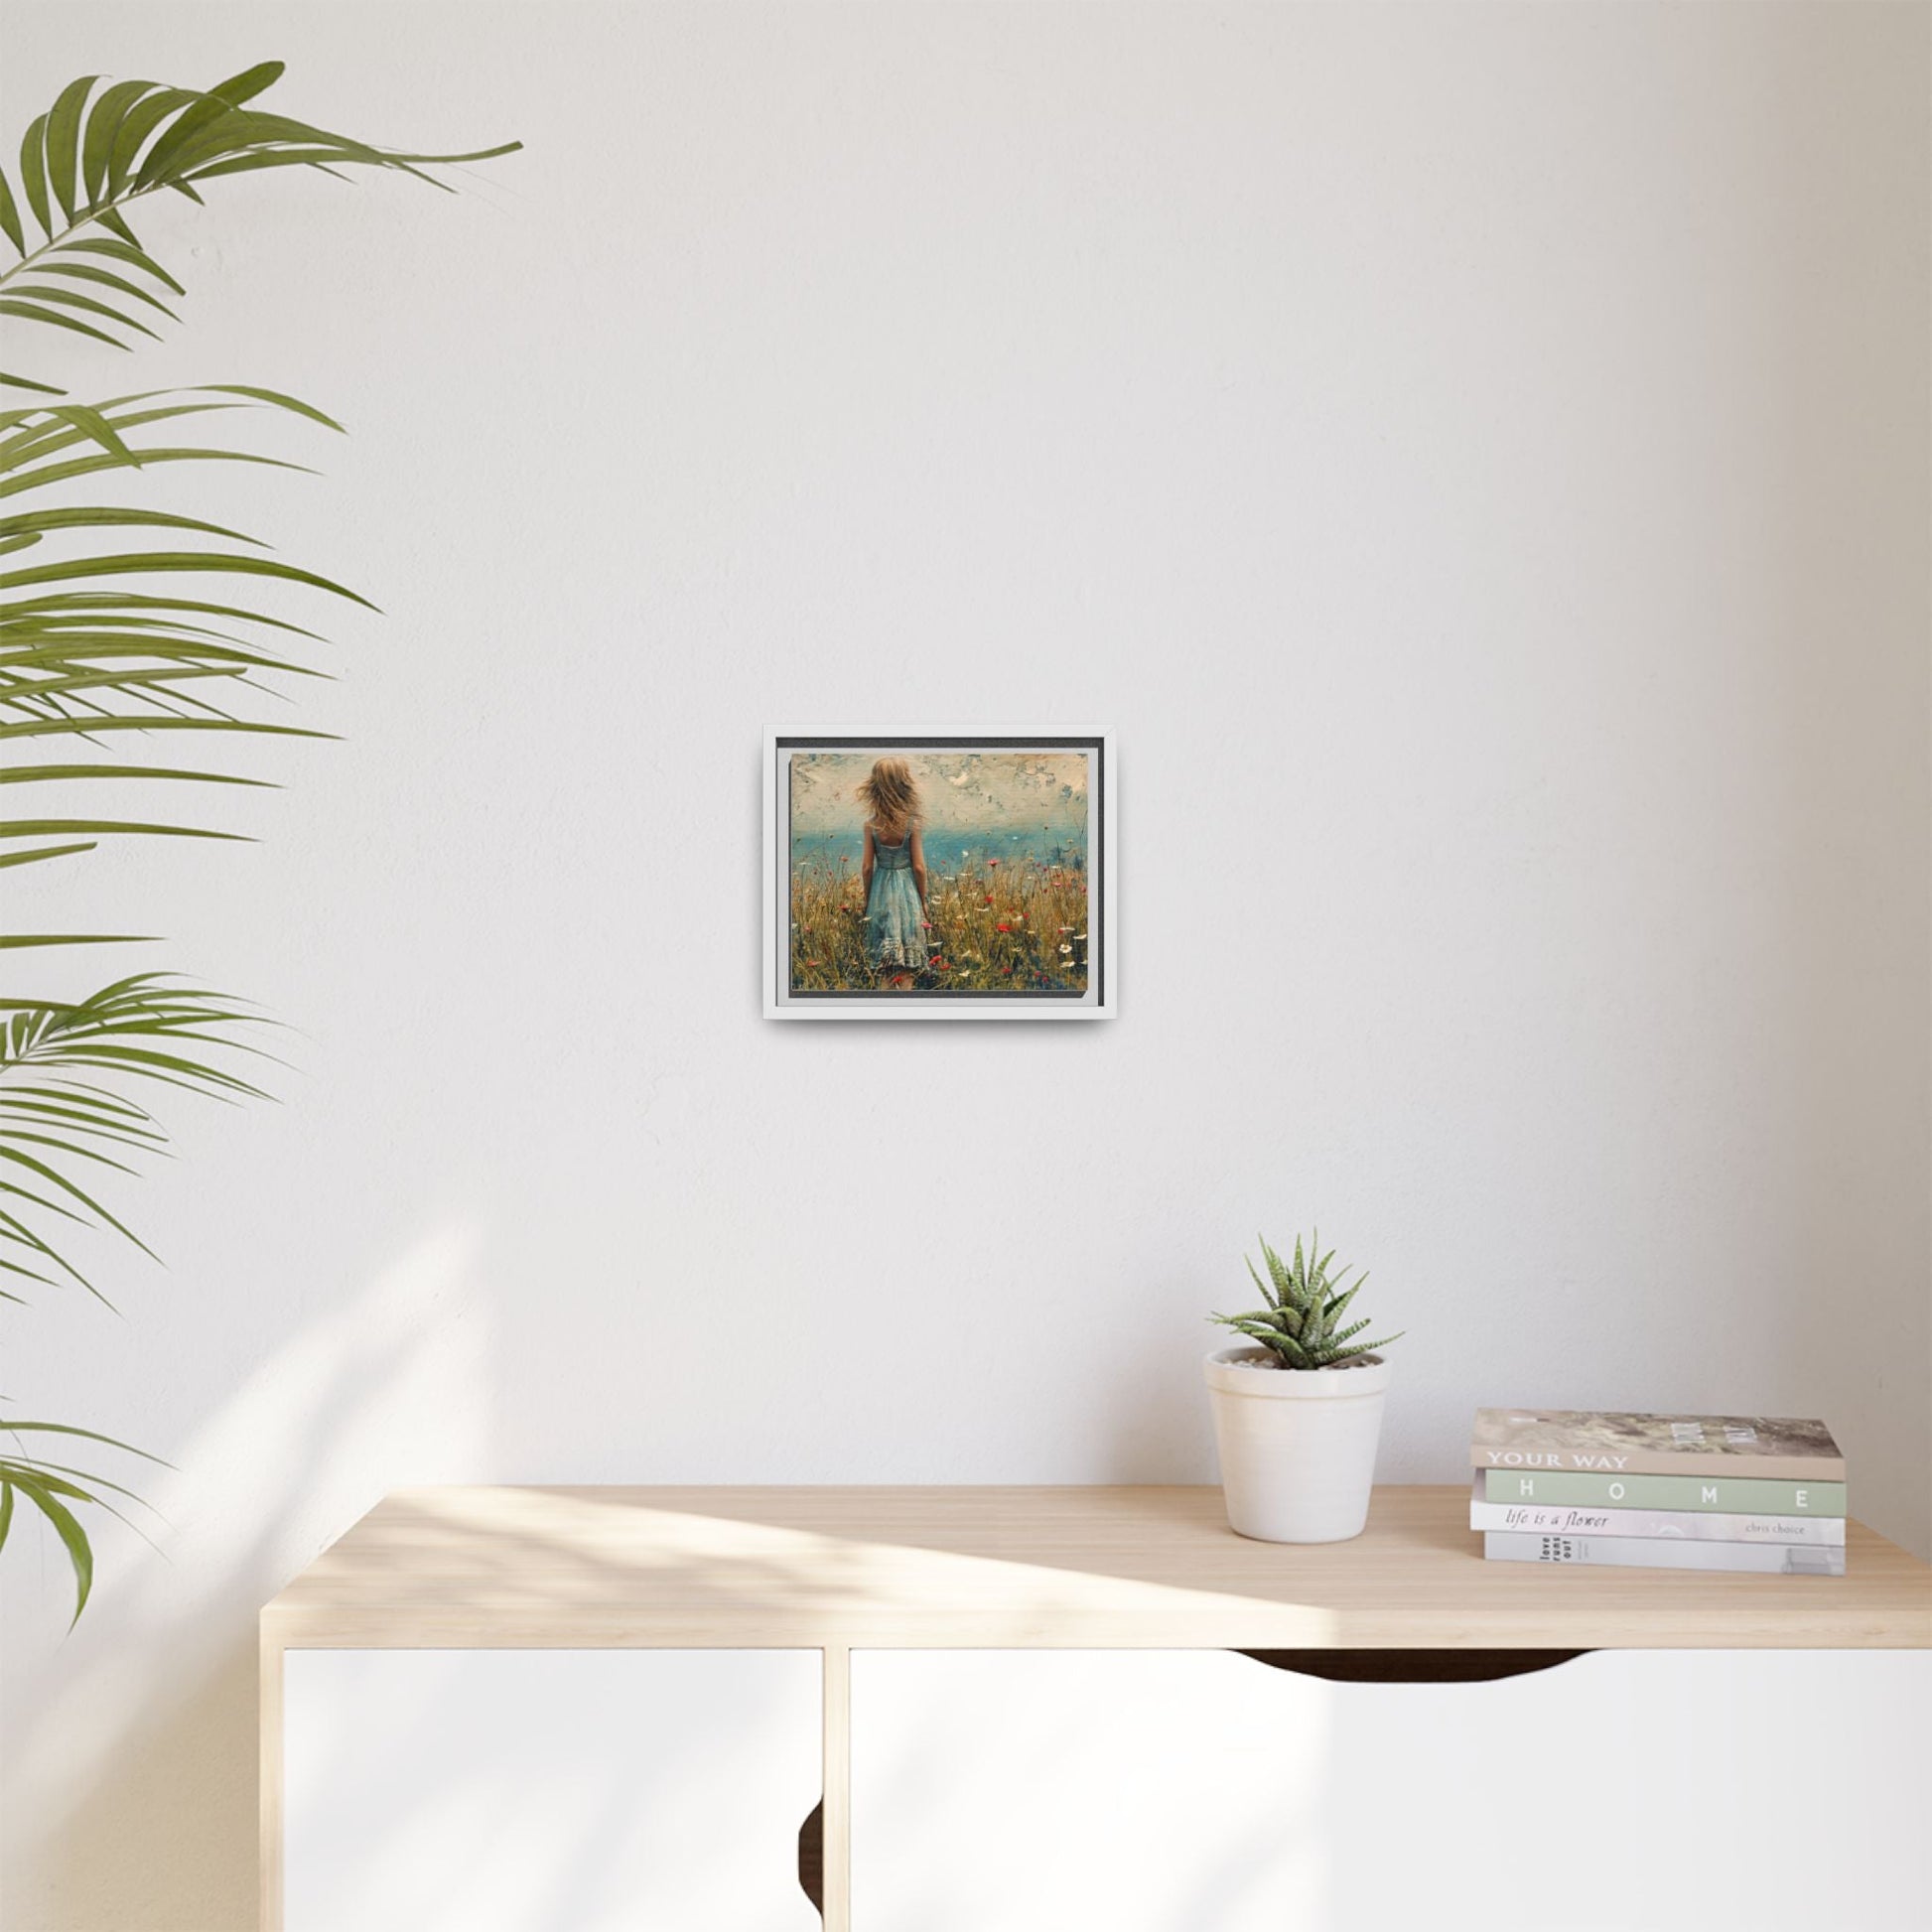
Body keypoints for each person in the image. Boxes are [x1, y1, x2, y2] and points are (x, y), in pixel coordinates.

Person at [857, 757, 928, 989]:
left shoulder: (871, 825)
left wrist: (868, 899)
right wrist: (923, 901)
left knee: (885, 964)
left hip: (881, 892)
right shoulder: (912, 824)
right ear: (903, 785)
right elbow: (919, 868)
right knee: (906, 963)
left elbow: (867, 868)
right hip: (907, 893)